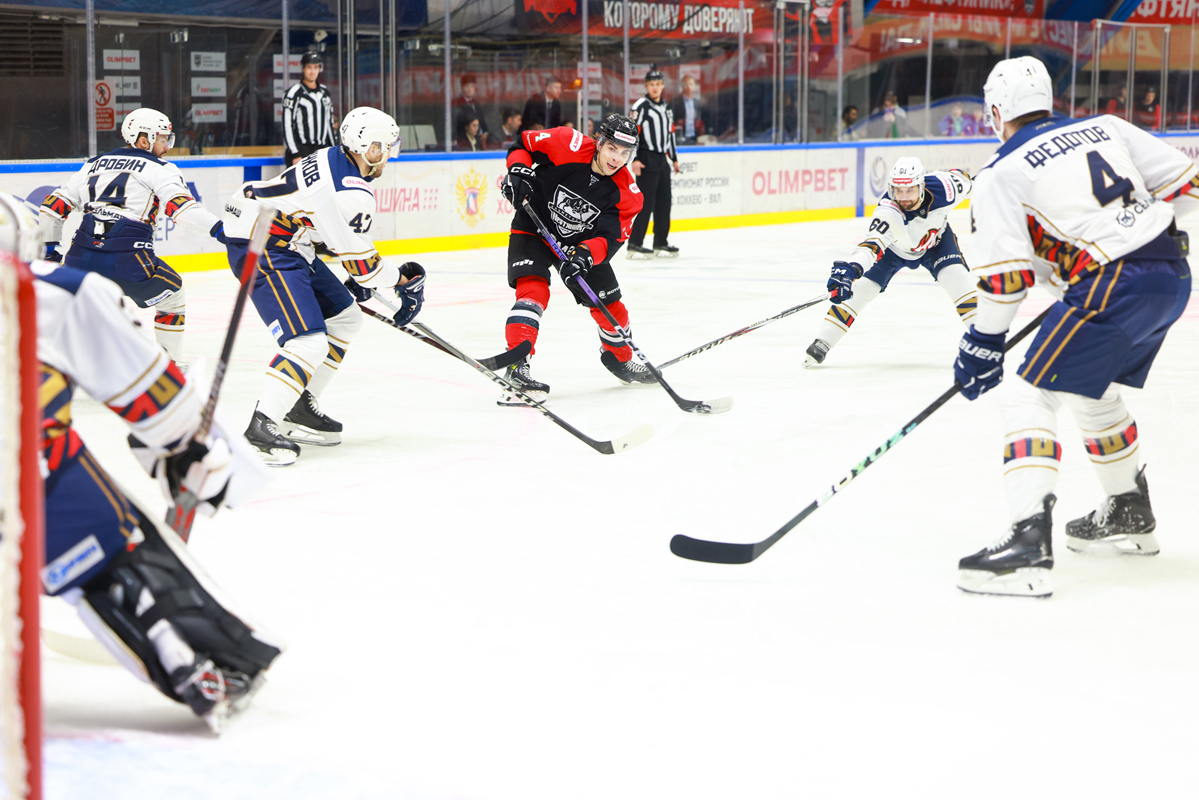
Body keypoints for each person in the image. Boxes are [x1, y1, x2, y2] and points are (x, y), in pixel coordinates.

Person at [0, 194, 283, 734]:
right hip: (29, 490)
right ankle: (206, 668)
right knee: (110, 546)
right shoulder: (54, 292)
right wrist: (188, 452)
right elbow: (157, 403)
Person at [953, 56, 1196, 597]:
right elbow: (1190, 183)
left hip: (1112, 282)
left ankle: (1026, 545)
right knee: (1093, 392)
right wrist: (1140, 237)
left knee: (1026, 394)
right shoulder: (1105, 127)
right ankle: (1129, 509)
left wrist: (982, 343)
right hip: (1171, 275)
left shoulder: (999, 171)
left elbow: (1006, 282)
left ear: (996, 111)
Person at [221, 106, 425, 465]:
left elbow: (325, 229)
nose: (389, 156)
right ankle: (261, 428)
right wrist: (403, 282)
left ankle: (298, 405)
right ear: (370, 148)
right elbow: (365, 268)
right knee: (307, 341)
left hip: (286, 240)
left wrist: (360, 274)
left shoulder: (333, 156)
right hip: (262, 245)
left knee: (347, 318)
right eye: (386, 148)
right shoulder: (352, 192)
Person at [37, 108, 225, 365]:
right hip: (129, 262)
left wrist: (50, 253)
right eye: (162, 139)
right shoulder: (161, 168)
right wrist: (221, 230)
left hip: (79, 261)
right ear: (143, 140)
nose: (167, 147)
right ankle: (167, 366)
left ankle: (61, 363)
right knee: (172, 295)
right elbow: (183, 211)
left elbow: (51, 208)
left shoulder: (92, 165)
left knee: (86, 304)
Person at [496, 114, 649, 401]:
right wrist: (517, 169)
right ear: (599, 142)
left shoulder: (628, 195)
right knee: (533, 290)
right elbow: (523, 144)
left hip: (579, 245)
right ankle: (517, 365)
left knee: (611, 306)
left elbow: (610, 239)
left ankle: (620, 360)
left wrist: (584, 257)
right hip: (534, 226)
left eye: (624, 153)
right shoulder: (566, 142)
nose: (616, 159)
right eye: (612, 148)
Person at [802, 157, 977, 368]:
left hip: (937, 244)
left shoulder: (946, 188)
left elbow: (970, 183)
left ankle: (984, 338)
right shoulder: (889, 212)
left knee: (959, 280)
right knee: (861, 289)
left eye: (910, 190)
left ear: (921, 186)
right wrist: (851, 270)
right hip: (893, 250)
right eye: (898, 190)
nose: (903, 197)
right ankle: (823, 342)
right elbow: (871, 245)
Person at [627, 66, 681, 259]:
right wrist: (634, 159)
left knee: (664, 202)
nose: (655, 87)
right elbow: (632, 133)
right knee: (645, 203)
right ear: (646, 86)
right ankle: (634, 244)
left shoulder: (667, 108)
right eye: (652, 84)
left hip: (662, 160)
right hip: (646, 158)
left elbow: (671, 134)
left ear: (663, 85)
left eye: (658, 84)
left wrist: (674, 159)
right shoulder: (640, 106)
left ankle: (660, 242)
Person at [282, 52, 337, 166]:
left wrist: (334, 149)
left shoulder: (325, 93)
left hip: (322, 150)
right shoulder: (293, 94)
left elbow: (329, 124)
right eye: (309, 67)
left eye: (316, 67)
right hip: (302, 150)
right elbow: (287, 125)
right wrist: (295, 153)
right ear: (303, 68)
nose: (313, 72)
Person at [453, 73, 489, 148]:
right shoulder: (456, 103)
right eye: (467, 86)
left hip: (478, 141)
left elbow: (482, 121)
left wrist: (485, 133)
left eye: (472, 86)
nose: (470, 89)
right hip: (464, 142)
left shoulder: (476, 103)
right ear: (461, 87)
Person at [671, 75, 708, 145]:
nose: (688, 87)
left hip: (695, 138)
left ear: (694, 86)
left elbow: (700, 121)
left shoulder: (697, 103)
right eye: (686, 84)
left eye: (691, 84)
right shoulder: (675, 102)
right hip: (680, 138)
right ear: (682, 86)